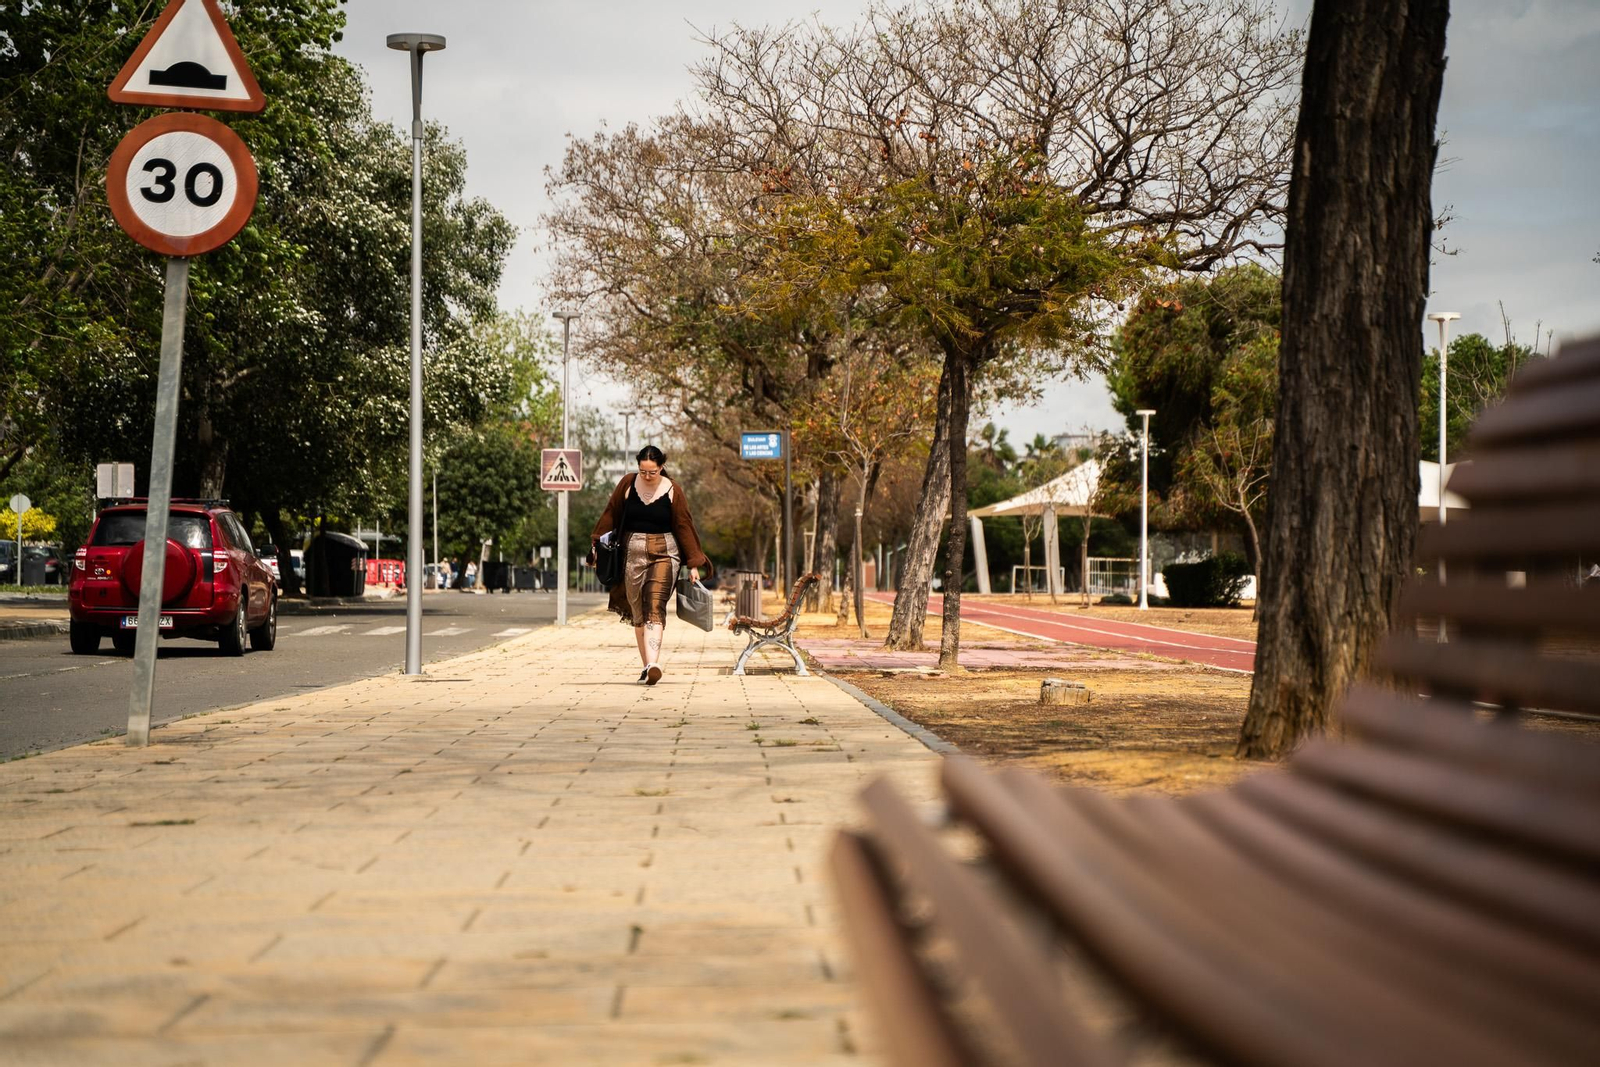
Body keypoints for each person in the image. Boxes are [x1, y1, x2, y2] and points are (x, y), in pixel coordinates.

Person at [590, 445, 711, 685]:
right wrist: (596, 546)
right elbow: (610, 515)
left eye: (652, 472)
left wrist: (693, 563)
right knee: (638, 610)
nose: (647, 476)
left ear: (661, 467)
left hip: (666, 553)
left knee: (655, 603)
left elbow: (684, 526)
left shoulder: (673, 490)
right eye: (643, 471)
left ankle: (654, 663)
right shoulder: (627, 485)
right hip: (631, 555)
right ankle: (647, 666)